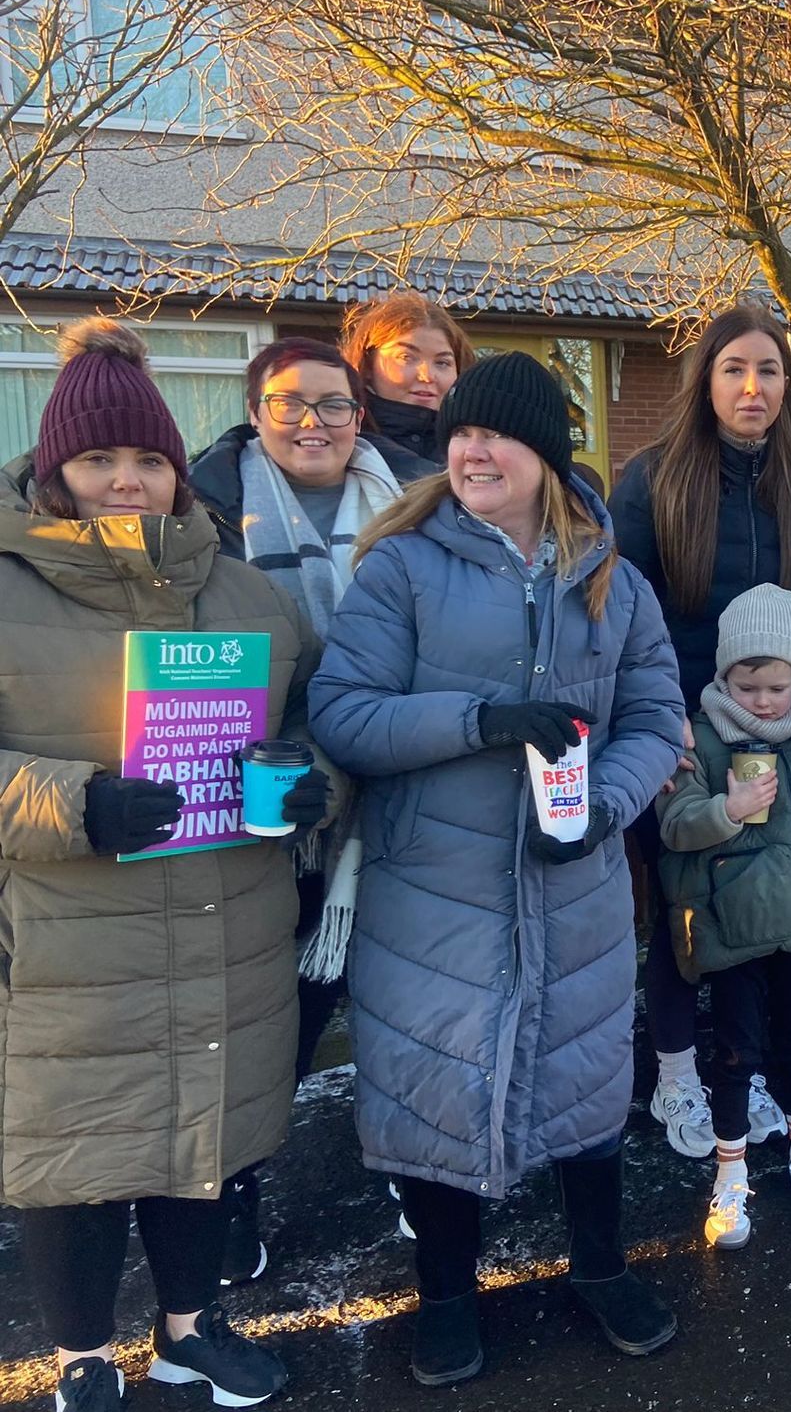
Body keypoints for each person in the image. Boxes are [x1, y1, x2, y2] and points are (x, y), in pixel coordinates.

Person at [308, 352, 687, 1386]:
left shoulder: (615, 576)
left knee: (585, 1081)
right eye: (462, 434)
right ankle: (443, 1293)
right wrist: (477, 720)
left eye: (498, 435)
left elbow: (658, 718)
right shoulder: (400, 567)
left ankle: (600, 1268)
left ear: (545, 455)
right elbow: (343, 714)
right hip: (436, 889)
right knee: (430, 1086)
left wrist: (603, 807)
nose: (471, 450)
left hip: (575, 884)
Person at [1, 319, 330, 1412]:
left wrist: (308, 779)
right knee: (78, 1154)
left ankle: (191, 1331)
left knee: (206, 1131)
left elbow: (317, 724)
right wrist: (73, 799)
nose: (126, 483)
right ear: (56, 471)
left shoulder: (243, 595)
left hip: (225, 917)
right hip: (68, 938)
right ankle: (81, 1359)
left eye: (147, 461)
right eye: (98, 462)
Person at [190, 335, 435, 1284]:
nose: (314, 422)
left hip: (394, 785)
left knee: (398, 992)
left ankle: (407, 1164)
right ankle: (237, 1183)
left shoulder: (413, 496)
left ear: (358, 413)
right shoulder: (205, 506)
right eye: (291, 403)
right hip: (270, 796)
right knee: (271, 1006)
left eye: (333, 404)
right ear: (257, 411)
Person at [609, 306, 791, 1161]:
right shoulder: (656, 477)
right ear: (706, 378)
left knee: (766, 906)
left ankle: (755, 1065)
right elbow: (626, 613)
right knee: (684, 910)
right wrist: (662, 724)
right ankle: (674, 1071)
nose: (753, 386)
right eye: (735, 368)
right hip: (679, 729)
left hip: (778, 727)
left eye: (770, 370)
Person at [658, 586, 791, 1248]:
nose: (763, 700)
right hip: (733, 929)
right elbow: (676, 826)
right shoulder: (702, 741)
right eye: (747, 686)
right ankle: (730, 1169)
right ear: (723, 677)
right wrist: (729, 804)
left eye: (777, 686)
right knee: (735, 1052)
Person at [339, 291, 476, 462]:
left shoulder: (476, 450)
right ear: (367, 364)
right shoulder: (340, 447)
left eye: (442, 363)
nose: (427, 376)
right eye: (407, 357)